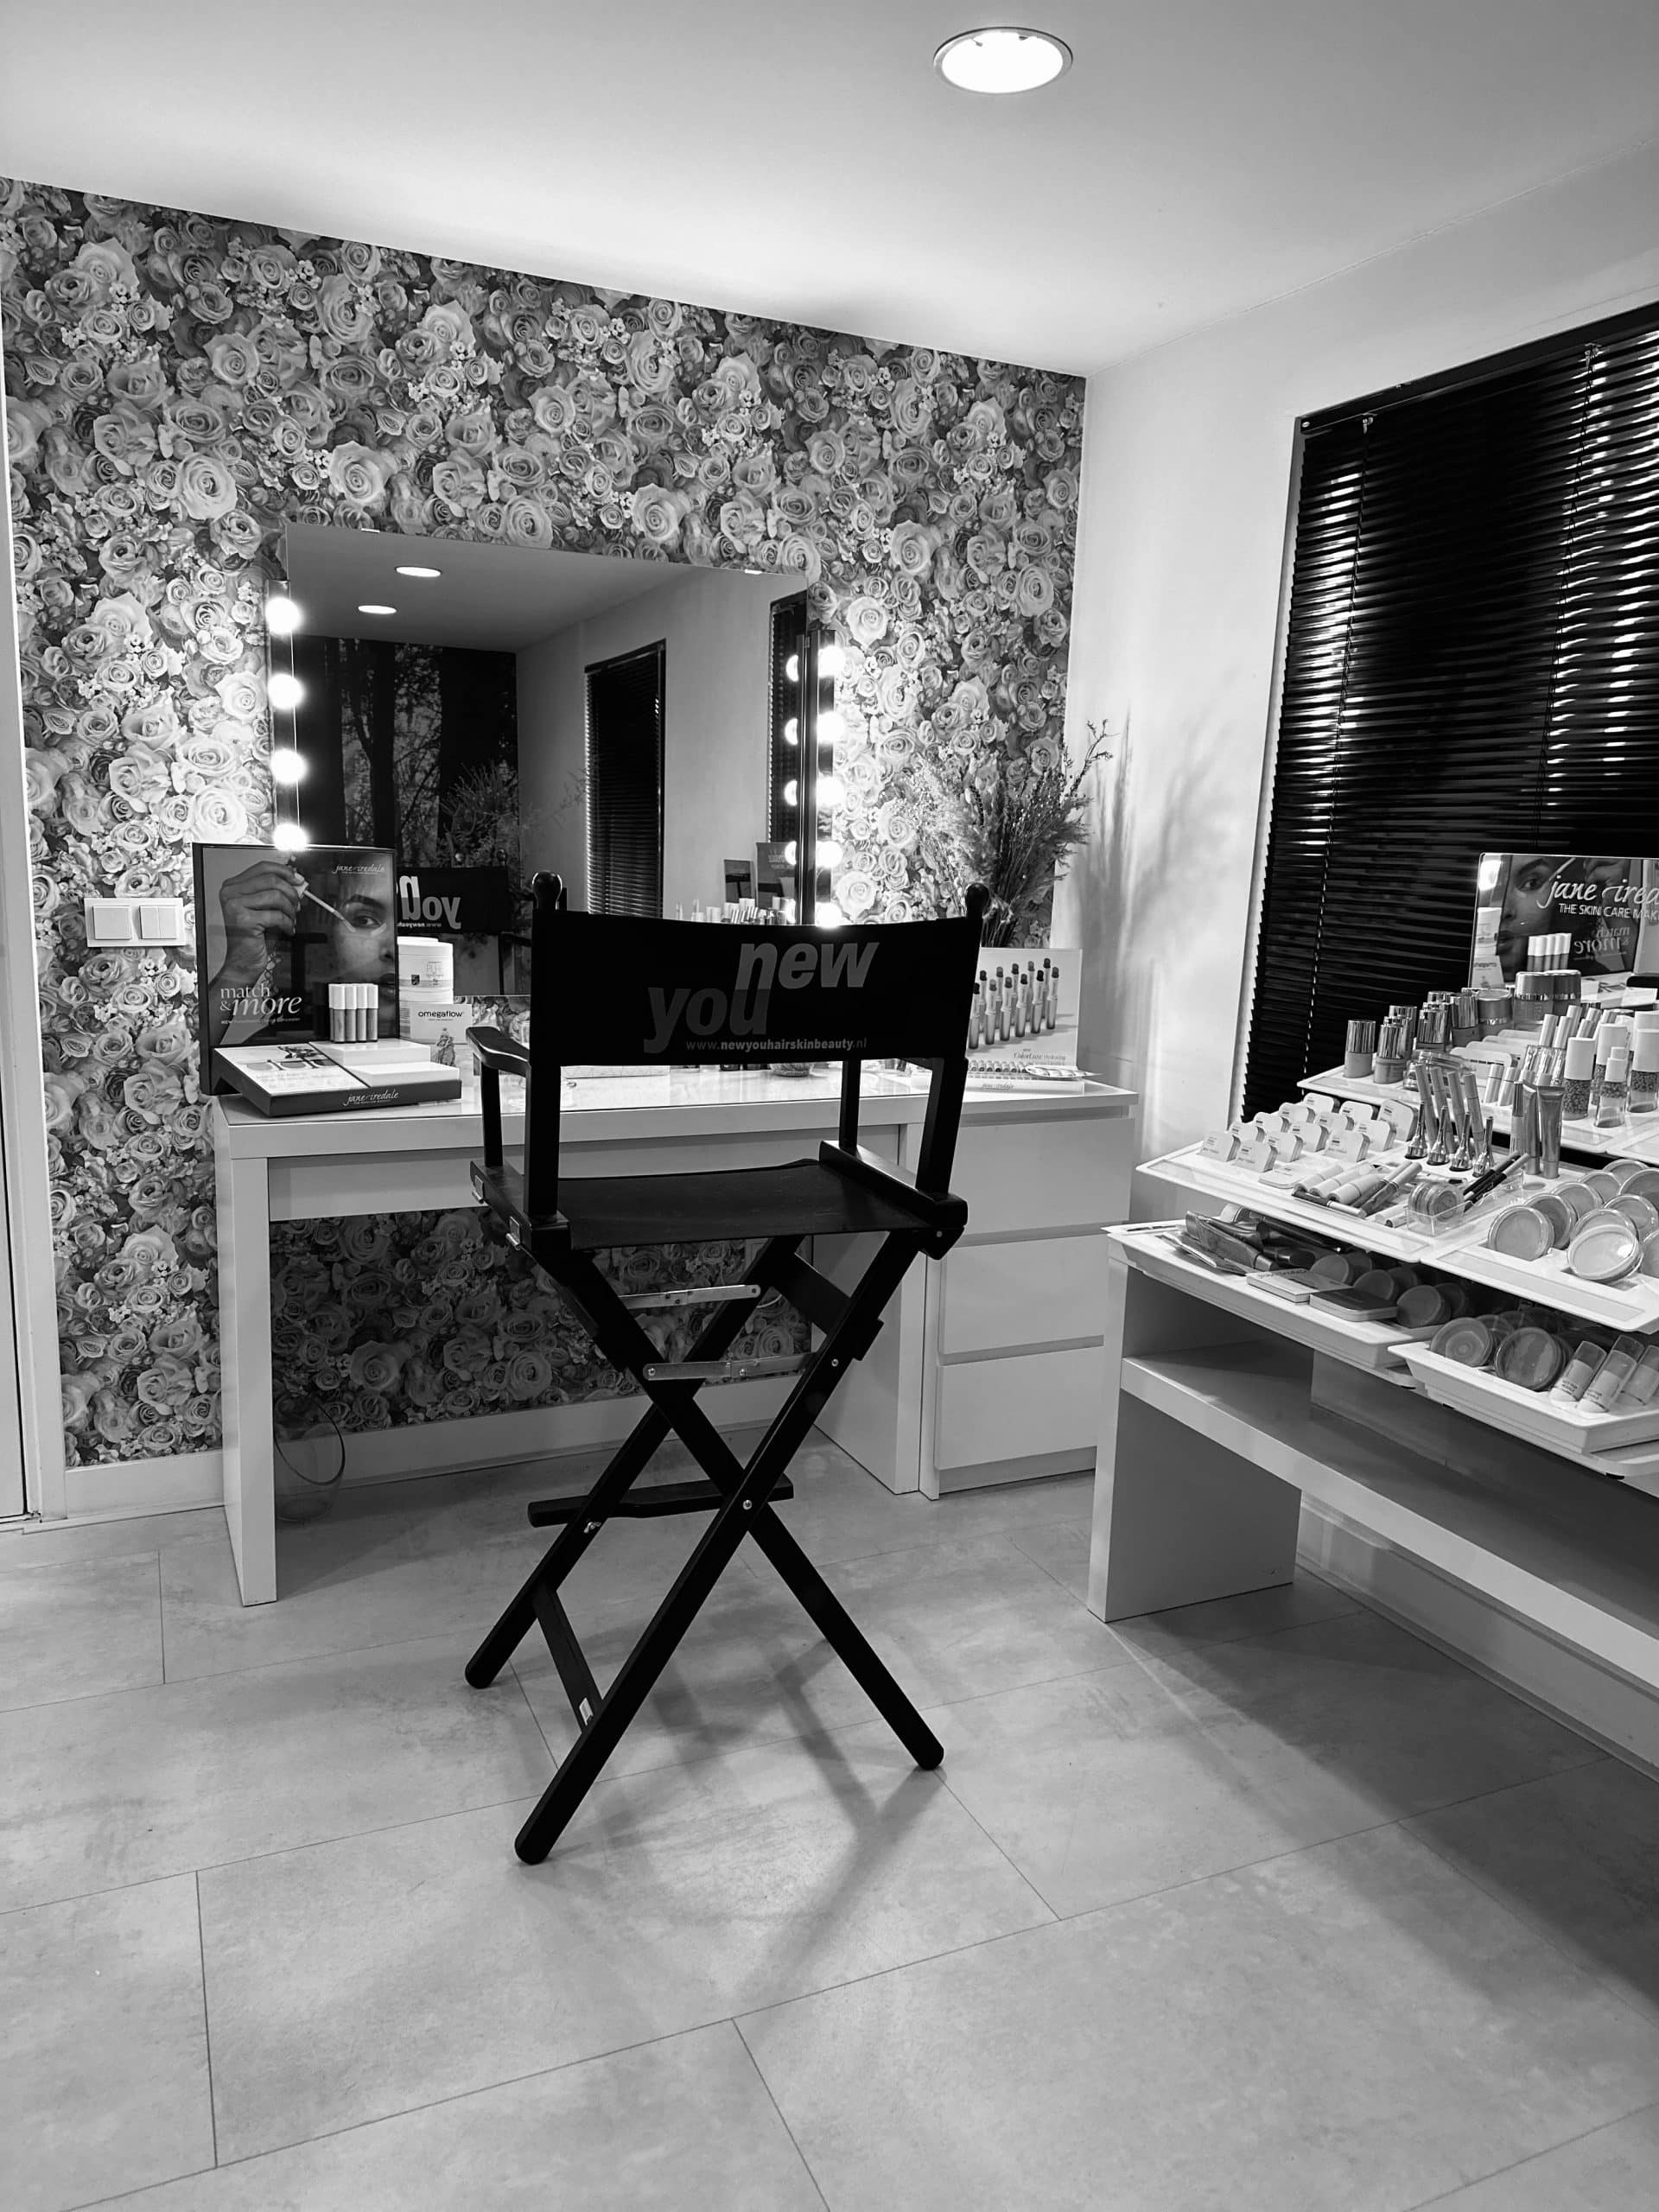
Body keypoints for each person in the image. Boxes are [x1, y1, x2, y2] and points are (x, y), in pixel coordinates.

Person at [203, 850, 397, 1051]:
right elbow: (190, 1062)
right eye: (364, 920)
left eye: (406, 922)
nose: (394, 950)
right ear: (326, 934)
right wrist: (240, 968)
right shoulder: (276, 1050)